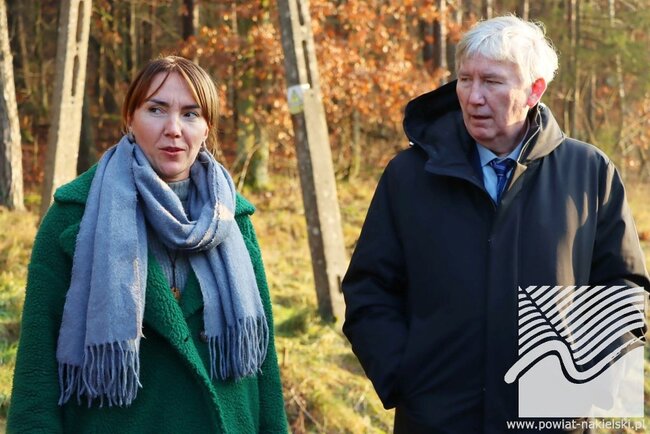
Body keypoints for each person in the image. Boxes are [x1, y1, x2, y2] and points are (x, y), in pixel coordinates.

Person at [342, 16, 649, 433]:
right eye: (465, 79)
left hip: (551, 420)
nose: (473, 97)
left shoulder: (589, 172)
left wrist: (587, 384)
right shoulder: (409, 175)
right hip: (436, 417)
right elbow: (369, 288)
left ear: (534, 90)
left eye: (491, 82)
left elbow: (623, 288)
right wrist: (403, 375)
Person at [8, 56, 288, 433]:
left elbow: (265, 372)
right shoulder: (73, 216)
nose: (174, 129)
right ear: (130, 119)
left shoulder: (233, 220)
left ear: (207, 127)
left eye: (191, 114)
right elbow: (36, 376)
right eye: (156, 109)